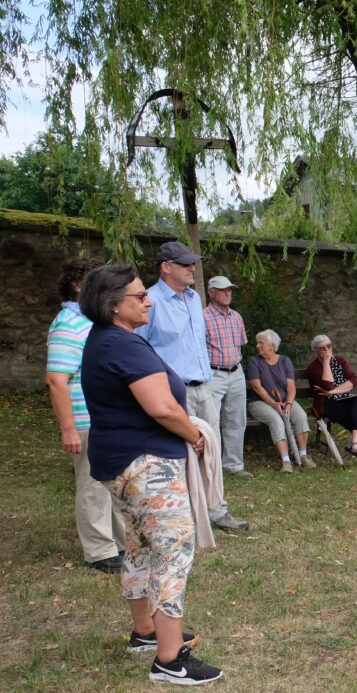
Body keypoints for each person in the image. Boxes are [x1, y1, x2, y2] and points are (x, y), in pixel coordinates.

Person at [79, 263, 223, 685]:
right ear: (113, 306)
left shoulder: (106, 341)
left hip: (120, 462)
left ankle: (145, 632)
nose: (148, 301)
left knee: (141, 547)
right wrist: (193, 435)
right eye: (140, 296)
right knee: (173, 551)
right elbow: (160, 407)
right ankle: (169, 660)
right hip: (146, 465)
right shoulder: (122, 346)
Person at [136, 241, 249, 532]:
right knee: (179, 452)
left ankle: (216, 511)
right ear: (166, 267)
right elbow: (138, 349)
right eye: (185, 264)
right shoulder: (149, 301)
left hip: (204, 387)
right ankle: (181, 516)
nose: (192, 268)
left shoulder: (192, 299)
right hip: (174, 391)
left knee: (210, 449)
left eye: (192, 263)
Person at [46, 256, 127, 573]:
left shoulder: (93, 321)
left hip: (107, 420)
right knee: (94, 487)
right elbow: (56, 380)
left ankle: (121, 543)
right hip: (85, 421)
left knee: (114, 485)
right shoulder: (68, 323)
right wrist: (68, 428)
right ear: (79, 285)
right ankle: (100, 552)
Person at [305, 334, 357, 466]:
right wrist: (326, 363)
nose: (326, 349)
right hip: (326, 404)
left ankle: (354, 443)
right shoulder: (313, 368)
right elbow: (327, 386)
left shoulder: (340, 361)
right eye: (322, 348)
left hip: (344, 398)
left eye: (328, 346)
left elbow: (353, 380)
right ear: (316, 350)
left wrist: (335, 391)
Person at [203, 275, 250, 478]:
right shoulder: (202, 317)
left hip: (236, 372)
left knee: (237, 420)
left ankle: (233, 465)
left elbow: (240, 345)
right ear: (211, 292)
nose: (228, 293)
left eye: (229, 289)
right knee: (211, 420)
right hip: (214, 373)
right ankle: (212, 468)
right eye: (223, 290)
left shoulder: (236, 317)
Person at [247, 329, 313, 473]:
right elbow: (257, 388)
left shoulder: (284, 361)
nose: (257, 345)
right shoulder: (254, 361)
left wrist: (288, 404)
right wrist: (274, 404)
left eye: (261, 343)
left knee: (301, 416)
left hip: (284, 400)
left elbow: (291, 386)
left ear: (272, 345)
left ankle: (302, 455)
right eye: (257, 343)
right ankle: (286, 461)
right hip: (259, 403)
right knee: (276, 420)